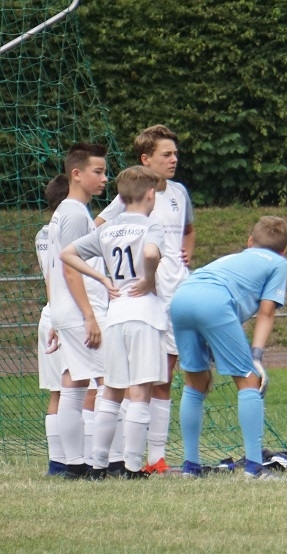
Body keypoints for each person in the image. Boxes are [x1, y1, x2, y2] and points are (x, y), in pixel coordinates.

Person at [95, 124, 196, 474]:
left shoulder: (179, 193)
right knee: (136, 379)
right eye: (166, 154)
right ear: (146, 159)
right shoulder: (134, 196)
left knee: (164, 377)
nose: (174, 159)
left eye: (175, 153)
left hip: (176, 294)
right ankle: (126, 455)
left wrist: (185, 253)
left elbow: (187, 231)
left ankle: (156, 457)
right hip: (143, 298)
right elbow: (99, 227)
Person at [61, 166, 166, 479]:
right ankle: (132, 466)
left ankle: (98, 465)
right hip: (143, 314)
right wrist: (148, 278)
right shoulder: (151, 225)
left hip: (115, 313)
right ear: (150, 195)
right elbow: (150, 253)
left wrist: (102, 278)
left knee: (111, 392)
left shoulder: (108, 229)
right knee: (140, 392)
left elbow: (68, 253)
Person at [172, 216, 287, 479]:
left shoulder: (233, 258)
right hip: (215, 301)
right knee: (250, 381)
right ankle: (254, 467)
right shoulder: (279, 263)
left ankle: (190, 466)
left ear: (250, 242)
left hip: (181, 297)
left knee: (195, 383)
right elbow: (267, 312)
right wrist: (256, 355)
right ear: (283, 251)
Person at [47, 143, 110, 479]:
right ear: (76, 174)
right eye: (97, 172)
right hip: (79, 311)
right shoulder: (73, 213)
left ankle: (74, 464)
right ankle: (110, 462)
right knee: (111, 381)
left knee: (74, 382)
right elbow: (69, 269)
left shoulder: (70, 211)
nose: (104, 178)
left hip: (66, 311)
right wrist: (88, 315)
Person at [36, 175, 71, 475]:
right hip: (68, 315)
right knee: (85, 390)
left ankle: (57, 463)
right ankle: (87, 459)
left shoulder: (42, 233)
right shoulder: (72, 230)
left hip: (49, 314)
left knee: (57, 393)